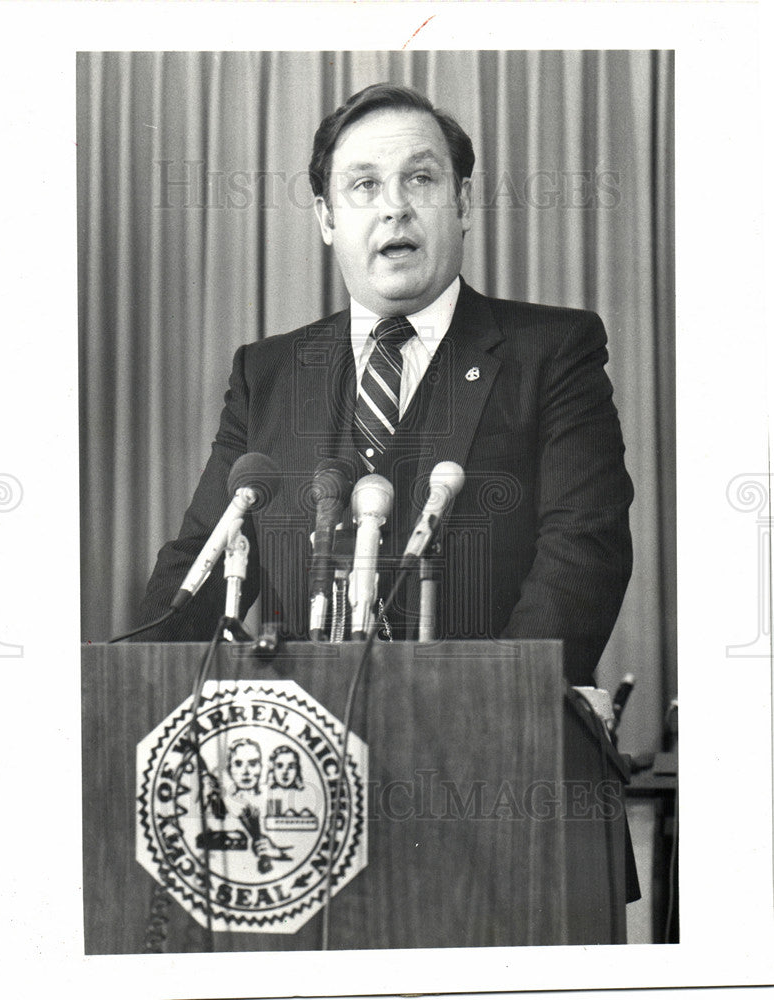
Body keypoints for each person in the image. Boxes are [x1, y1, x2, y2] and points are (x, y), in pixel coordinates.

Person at [139, 83, 633, 686]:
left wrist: (494, 706)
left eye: (421, 180)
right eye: (364, 185)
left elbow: (582, 552)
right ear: (326, 216)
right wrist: (139, 682)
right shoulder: (265, 375)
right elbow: (205, 560)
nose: (394, 207)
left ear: (464, 202)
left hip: (488, 746)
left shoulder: (554, 350)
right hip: (308, 752)